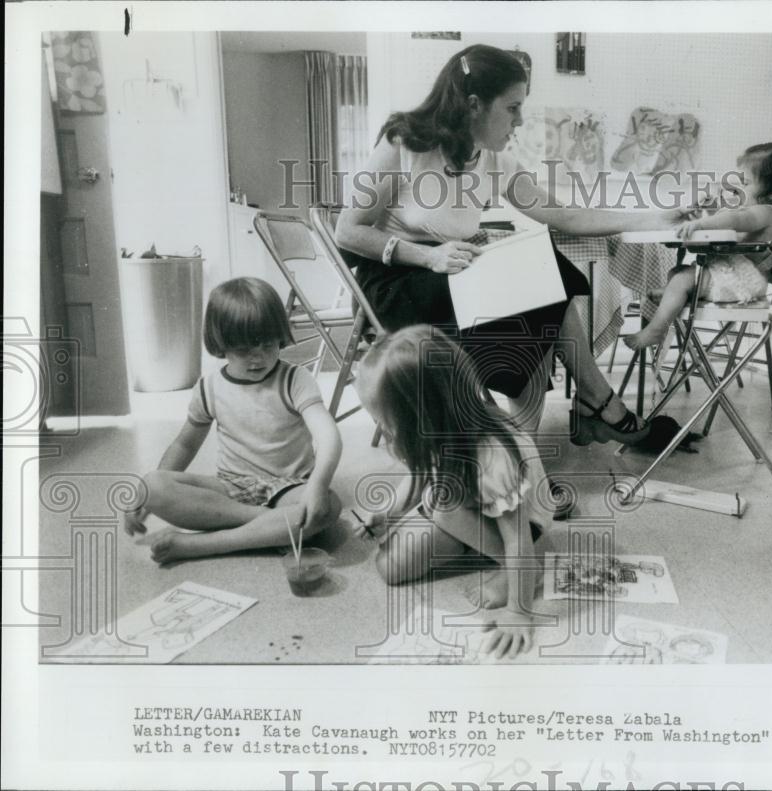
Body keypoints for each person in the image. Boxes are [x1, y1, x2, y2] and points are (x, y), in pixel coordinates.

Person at [335, 44, 690, 447]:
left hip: (451, 283)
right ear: (473, 105)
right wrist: (429, 255)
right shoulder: (405, 144)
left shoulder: (492, 161)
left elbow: (565, 215)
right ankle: (596, 407)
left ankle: (526, 454)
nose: (520, 121)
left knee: (544, 291)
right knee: (545, 287)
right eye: (512, 108)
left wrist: (654, 218)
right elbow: (347, 231)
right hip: (397, 289)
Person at [353, 325, 553, 659]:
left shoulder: (490, 455)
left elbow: (517, 535)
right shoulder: (443, 426)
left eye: (384, 420)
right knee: (390, 566)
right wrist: (388, 513)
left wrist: (518, 611)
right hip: (463, 502)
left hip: (521, 526)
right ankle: (467, 538)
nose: (382, 429)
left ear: (422, 415)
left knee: (444, 511)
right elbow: (421, 472)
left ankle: (524, 571)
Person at [123, 277, 343, 564]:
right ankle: (267, 526)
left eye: (267, 345)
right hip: (229, 490)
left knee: (328, 505)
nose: (258, 358)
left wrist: (315, 487)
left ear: (280, 335)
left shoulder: (294, 380)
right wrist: (147, 497)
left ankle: (205, 544)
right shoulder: (209, 387)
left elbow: (328, 438)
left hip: (289, 487)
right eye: (243, 350)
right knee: (152, 484)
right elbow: (184, 445)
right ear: (221, 344)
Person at [624, 141, 772, 350]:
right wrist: (707, 214)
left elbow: (735, 220)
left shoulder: (765, 212)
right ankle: (672, 297)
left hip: (741, 283)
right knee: (678, 272)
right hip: (732, 275)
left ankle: (656, 330)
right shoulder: (764, 212)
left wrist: (700, 223)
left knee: (680, 280)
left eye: (745, 184)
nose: (736, 189)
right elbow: (732, 222)